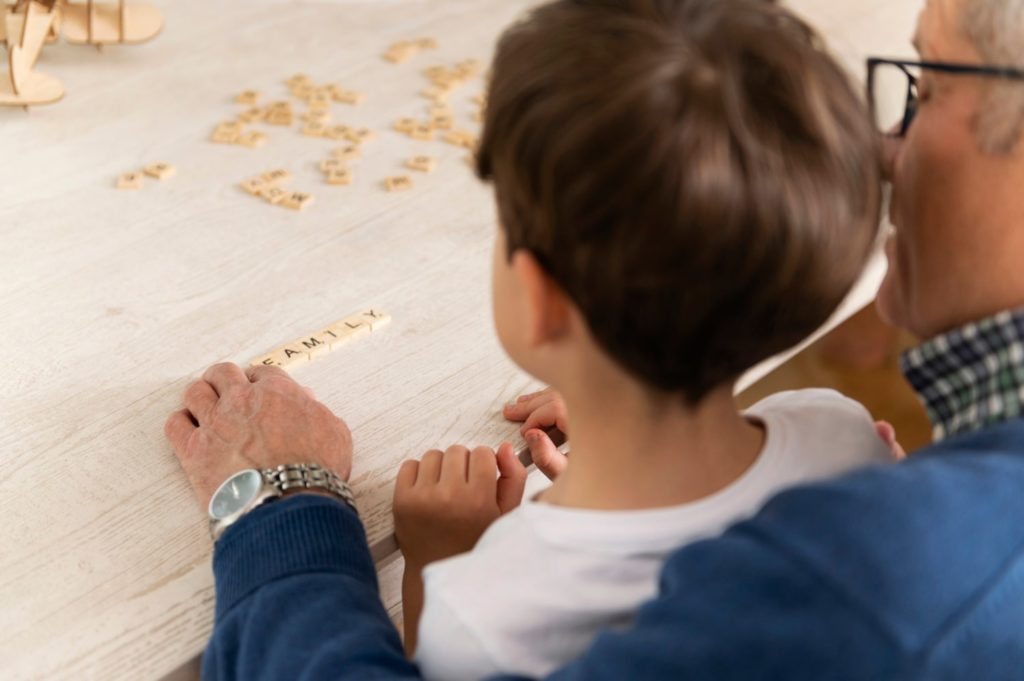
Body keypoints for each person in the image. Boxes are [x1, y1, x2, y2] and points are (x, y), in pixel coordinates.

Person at [165, 0, 1024, 678]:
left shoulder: (884, 578)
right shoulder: (844, 432)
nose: (885, 149)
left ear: (540, 300)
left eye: (927, 89)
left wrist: (286, 504)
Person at [387, 1, 893, 678]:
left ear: (542, 300)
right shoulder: (844, 433)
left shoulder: (486, 610)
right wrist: (610, 416)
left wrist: (441, 558)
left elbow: (433, 660)